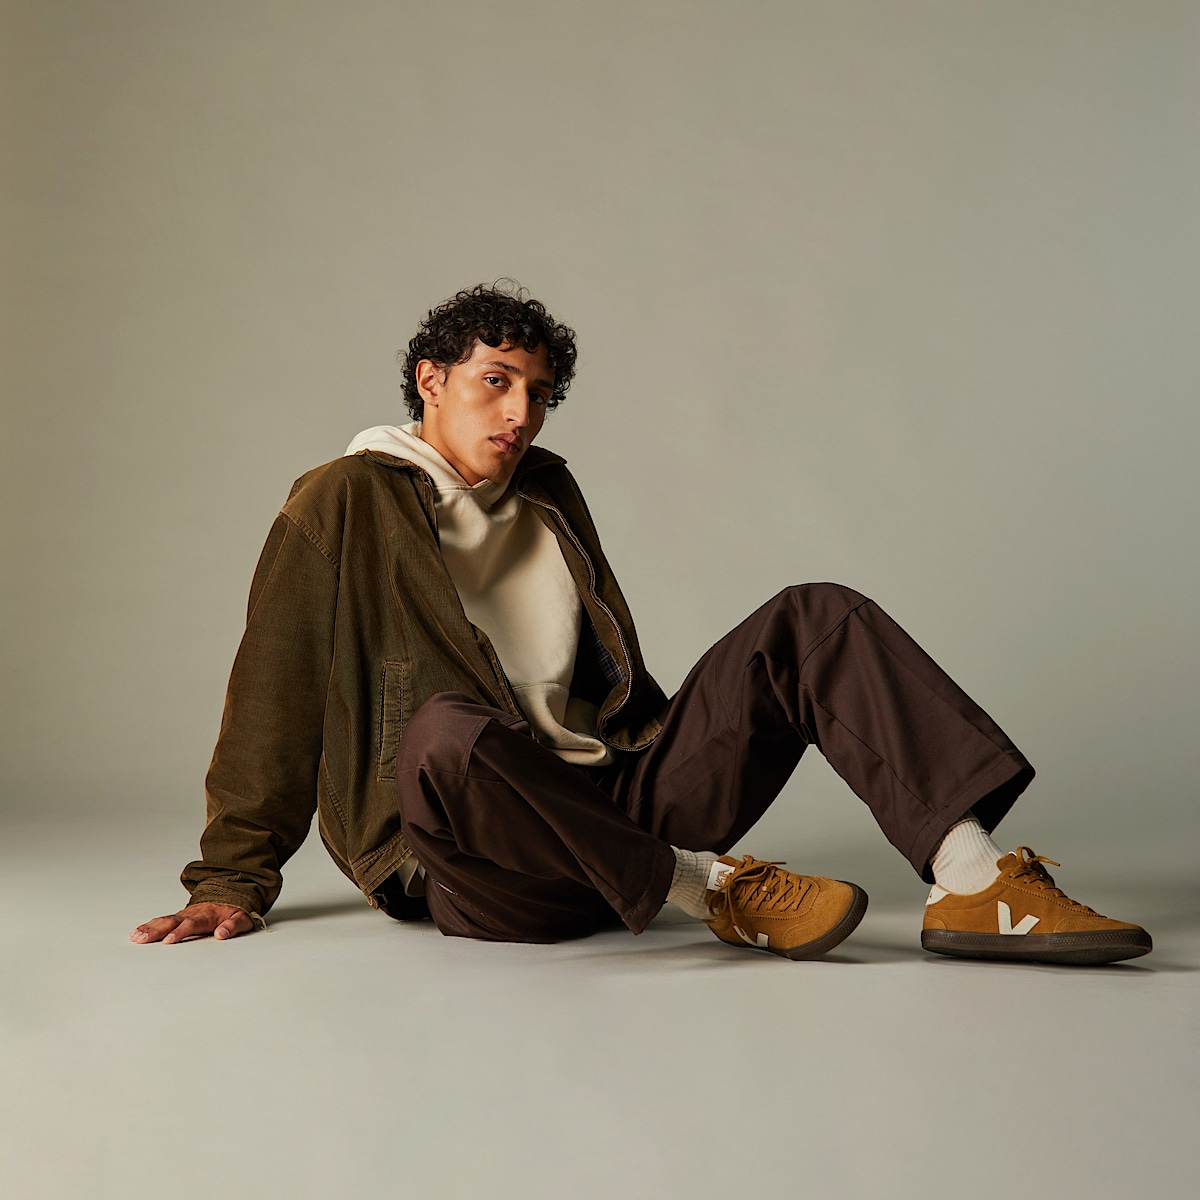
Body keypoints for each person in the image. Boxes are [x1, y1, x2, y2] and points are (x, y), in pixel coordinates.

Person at [131, 283, 1152, 965]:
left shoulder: (547, 491)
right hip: (482, 857)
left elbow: (601, 675)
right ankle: (708, 890)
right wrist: (234, 879)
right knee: (443, 731)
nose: (521, 413)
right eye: (496, 382)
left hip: (619, 798)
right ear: (430, 382)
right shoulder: (342, 499)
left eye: (539, 394)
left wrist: (665, 752)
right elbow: (273, 690)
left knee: (814, 616)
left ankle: (973, 882)